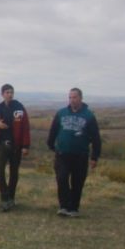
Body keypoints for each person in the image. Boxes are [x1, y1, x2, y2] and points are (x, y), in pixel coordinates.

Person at [47, 88, 102, 217]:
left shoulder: (88, 115)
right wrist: (51, 144)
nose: (72, 100)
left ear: (81, 98)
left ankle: (74, 208)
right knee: (62, 179)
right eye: (70, 97)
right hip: (62, 154)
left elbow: (96, 138)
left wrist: (94, 157)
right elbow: (53, 130)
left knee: (77, 182)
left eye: (75, 97)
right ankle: (64, 206)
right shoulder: (61, 113)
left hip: (80, 155)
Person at [0, 84, 31, 212]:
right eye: (7, 92)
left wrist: (25, 145)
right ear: (2, 94)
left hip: (16, 145)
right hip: (2, 144)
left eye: (11, 92)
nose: (10, 94)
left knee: (14, 173)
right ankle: (4, 197)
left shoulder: (19, 108)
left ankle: (11, 198)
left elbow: (25, 127)